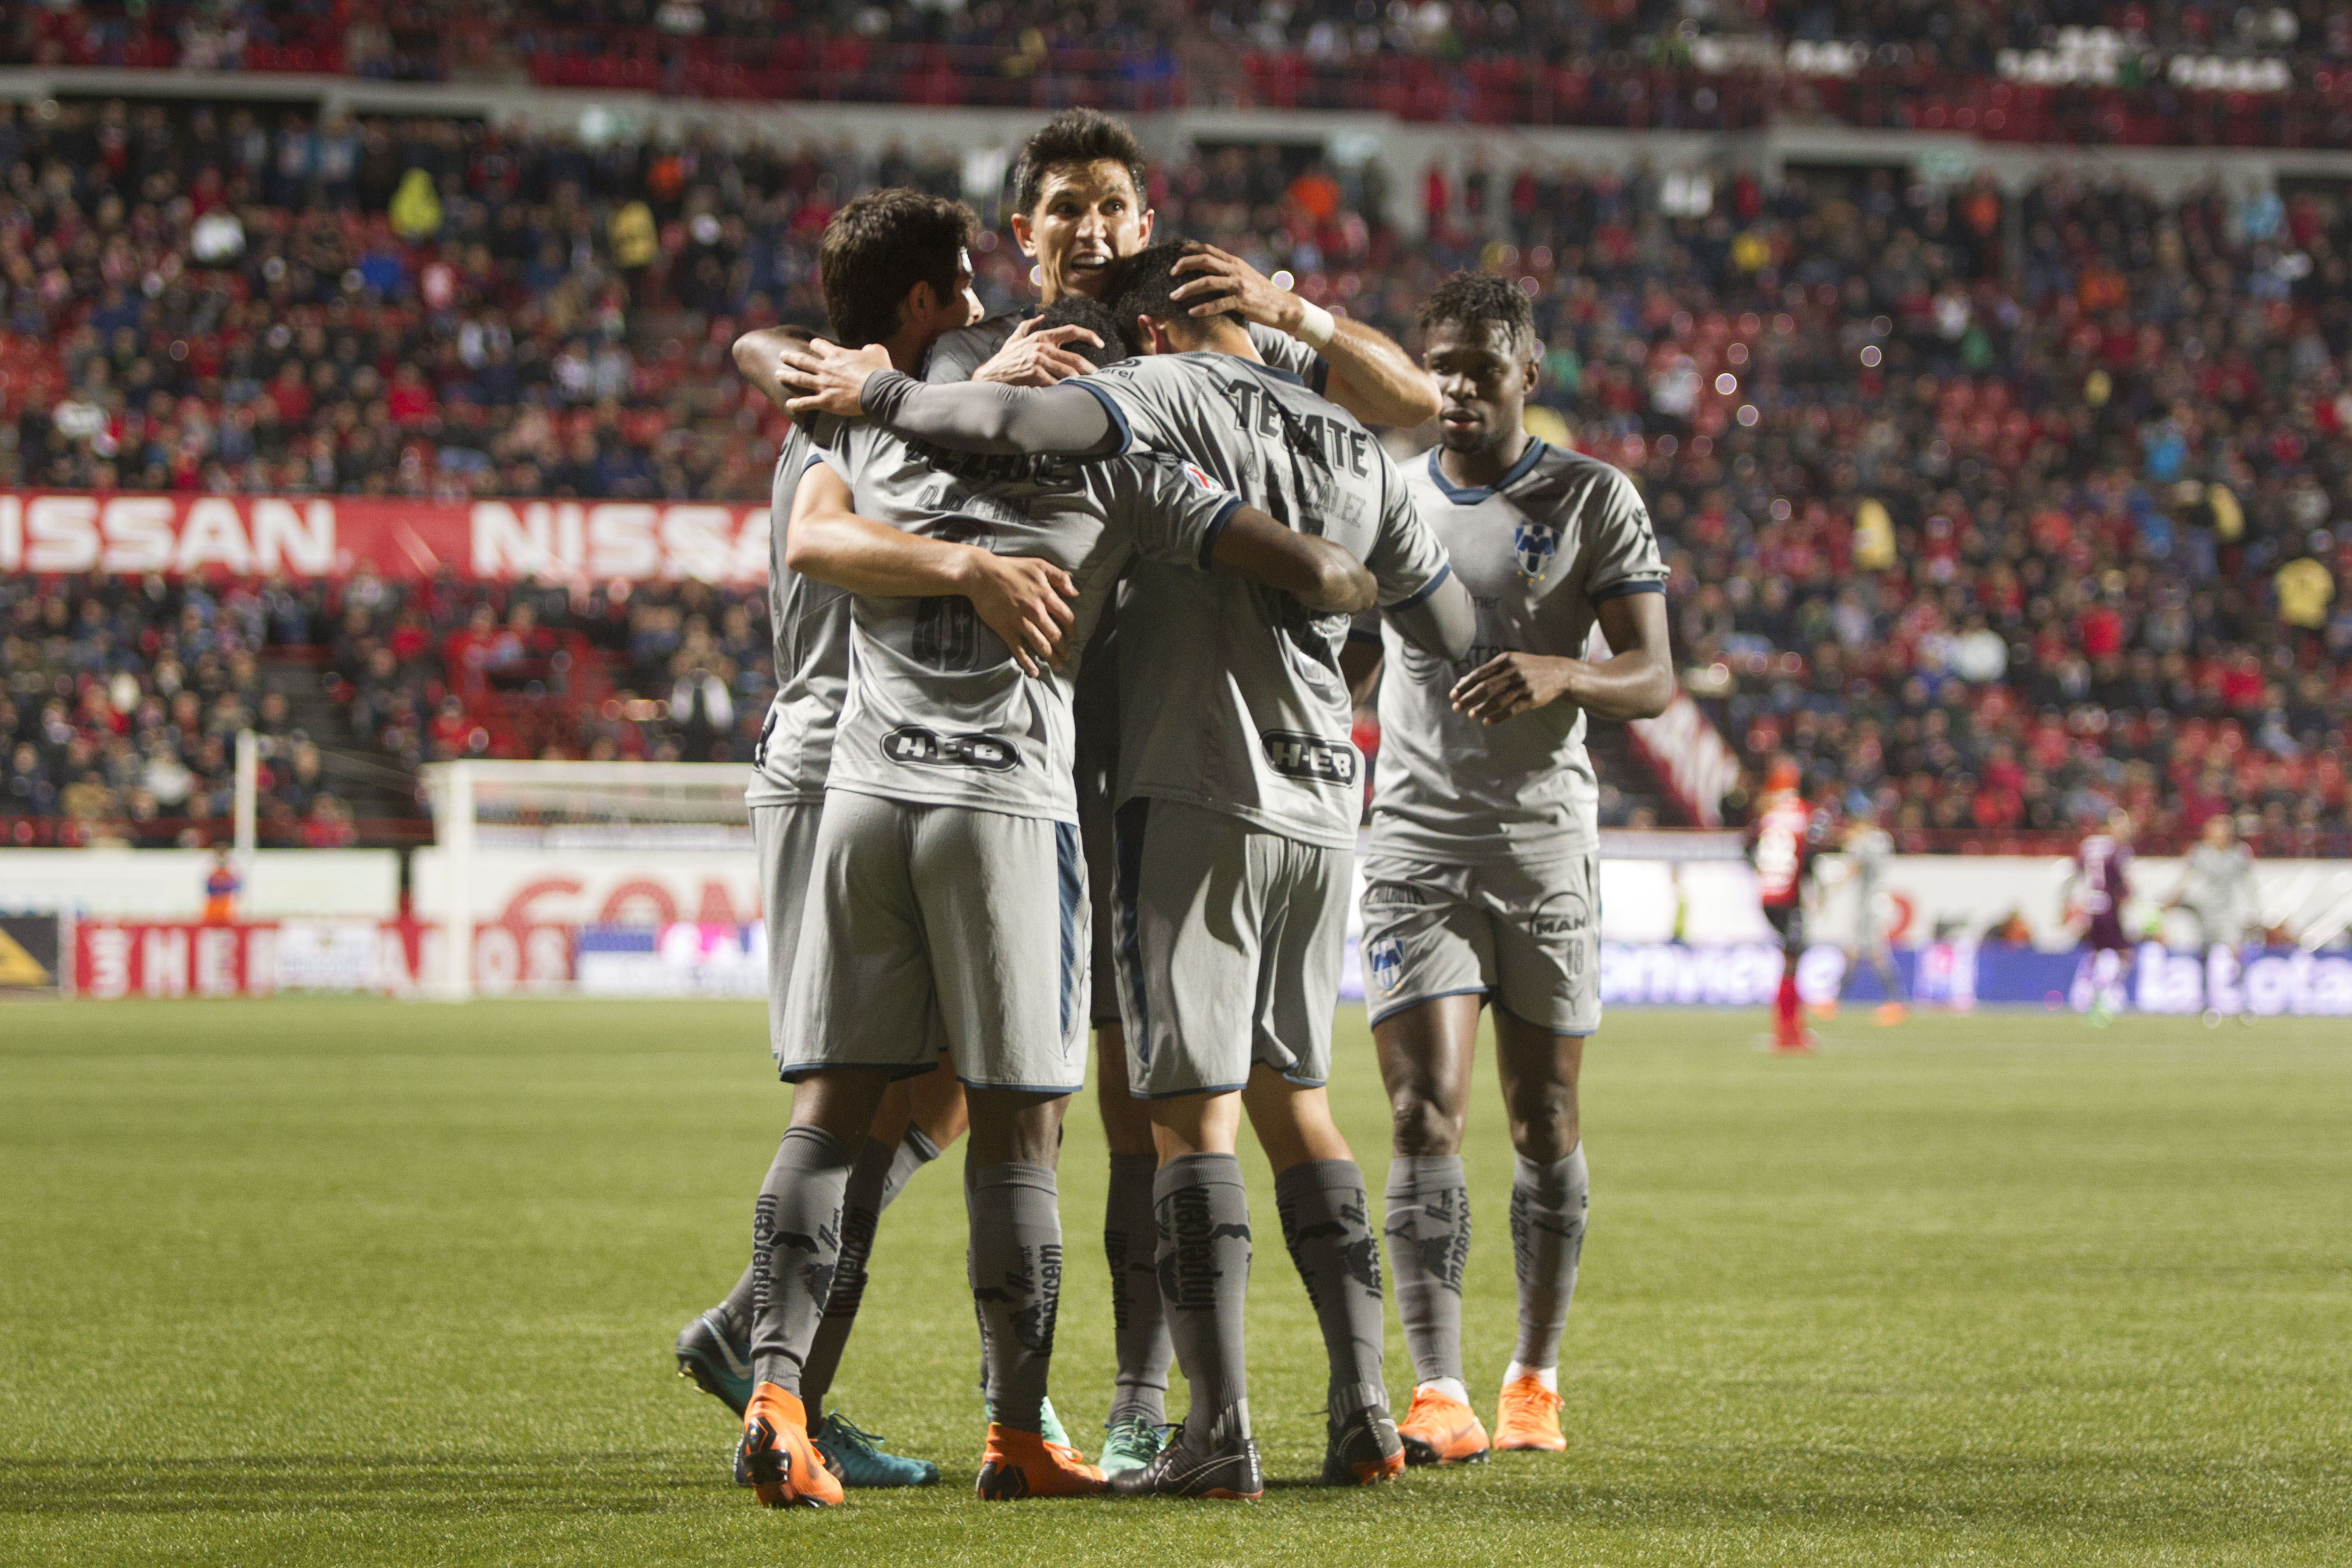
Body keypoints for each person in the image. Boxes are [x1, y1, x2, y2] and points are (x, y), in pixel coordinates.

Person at [779, 239, 1477, 1498]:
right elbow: (1440, 619)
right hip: (1324, 799)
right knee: (1299, 1099)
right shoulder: (1341, 440)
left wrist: (877, 390)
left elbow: (976, 428)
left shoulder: (1133, 404)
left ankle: (1216, 1432)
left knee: (1177, 1116)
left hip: (1175, 787)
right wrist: (1340, 649)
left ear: (1145, 334)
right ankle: (1367, 1409)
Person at [922, 107, 1440, 1478]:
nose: (1090, 229)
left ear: (1148, 231)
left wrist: (1292, 306)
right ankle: (1079, 1401)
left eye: (1112, 207)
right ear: (1020, 233)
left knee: (1155, 1107)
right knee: (1093, 1099)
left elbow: (1414, 398)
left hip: (1164, 774)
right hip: (1063, 772)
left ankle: (1157, 1407)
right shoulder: (996, 361)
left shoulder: (1190, 357)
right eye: (1063, 208)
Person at [671, 189, 989, 1492]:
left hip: (860, 769)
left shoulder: (849, 402)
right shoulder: (865, 427)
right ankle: (778, 1377)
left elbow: (759, 346)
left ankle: (761, 1334)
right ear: (916, 305)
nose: (976, 305)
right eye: (960, 287)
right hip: (842, 769)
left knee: (960, 1079)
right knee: (853, 1099)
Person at [1336, 272, 1672, 1467]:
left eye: (1482, 366)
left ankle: (1534, 1376)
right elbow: (1356, 649)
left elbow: (1654, 675)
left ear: (1528, 373)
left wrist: (1563, 673)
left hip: (1542, 847)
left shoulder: (1592, 498)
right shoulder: (1385, 494)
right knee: (1425, 1111)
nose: (1459, 387)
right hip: (1416, 845)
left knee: (1545, 1117)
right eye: (1441, 365)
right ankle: (1439, 1391)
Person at [1746, 759, 1818, 1053]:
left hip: (1767, 895)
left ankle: (1791, 1029)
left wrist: (1762, 871)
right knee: (1792, 963)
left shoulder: (1767, 814)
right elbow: (1811, 853)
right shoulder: (1805, 813)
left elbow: (1747, 845)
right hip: (1790, 898)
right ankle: (1788, 1033)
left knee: (1790, 960)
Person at [2166, 813, 2259, 1024]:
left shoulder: (2239, 854)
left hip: (2229, 911)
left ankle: (2242, 1001)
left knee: (2236, 953)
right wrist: (2173, 899)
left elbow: (2248, 883)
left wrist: (2253, 910)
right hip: (2206, 911)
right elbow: (2187, 877)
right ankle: (2208, 1003)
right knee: (2206, 956)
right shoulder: (2199, 853)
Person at [1833, 808, 1908, 1025]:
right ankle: (1836, 1000)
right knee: (1854, 951)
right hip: (1876, 900)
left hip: (1869, 905)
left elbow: (1852, 868)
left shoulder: (1864, 843)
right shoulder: (1881, 840)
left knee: (1876, 953)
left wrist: (1831, 887)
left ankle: (1896, 1001)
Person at [2064, 808, 2136, 1026]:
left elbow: (2072, 873)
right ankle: (2107, 996)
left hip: (2091, 906)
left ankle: (2085, 993)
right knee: (2123, 954)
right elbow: (2121, 885)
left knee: (2095, 952)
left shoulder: (2090, 844)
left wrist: (2068, 904)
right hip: (2109, 907)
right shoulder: (2119, 849)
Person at [201, 847, 240, 924]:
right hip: (214, 902)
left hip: (226, 902)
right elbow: (208, 885)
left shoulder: (233, 867)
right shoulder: (210, 866)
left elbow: (236, 885)